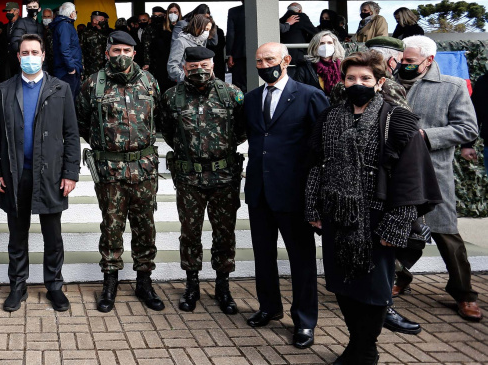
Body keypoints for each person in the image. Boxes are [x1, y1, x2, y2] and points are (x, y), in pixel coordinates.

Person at [306, 50, 441, 364]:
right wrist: (312, 208)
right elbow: (316, 164)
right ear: (343, 80)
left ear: (380, 82)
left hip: (377, 218)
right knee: (342, 283)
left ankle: (366, 349)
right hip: (336, 214)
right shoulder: (329, 116)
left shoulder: (397, 120)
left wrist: (397, 225)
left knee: (375, 287)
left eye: (365, 78)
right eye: (351, 77)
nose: (358, 83)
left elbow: (411, 179)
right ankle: (356, 343)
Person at [244, 42, 329, 349]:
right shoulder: (252, 98)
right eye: (259, 61)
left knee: (301, 260)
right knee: (263, 255)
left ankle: (305, 321)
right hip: (259, 192)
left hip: (295, 194)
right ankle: (269, 307)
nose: (264, 64)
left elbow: (324, 146)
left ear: (286, 61)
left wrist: (318, 195)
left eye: (270, 59)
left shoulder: (310, 95)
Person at [0, 33, 80, 313]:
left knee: (53, 236)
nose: (29, 57)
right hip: (15, 175)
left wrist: (70, 173)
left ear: (43, 56)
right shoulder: (3, 89)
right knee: (17, 236)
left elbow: (71, 134)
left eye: (34, 52)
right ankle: (18, 285)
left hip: (50, 174)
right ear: (18, 57)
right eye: (24, 53)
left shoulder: (60, 89)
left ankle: (54, 286)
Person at [392, 35, 482, 321]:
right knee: (392, 230)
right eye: (403, 60)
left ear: (429, 60)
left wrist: (426, 137)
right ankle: (400, 277)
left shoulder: (452, 87)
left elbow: (468, 129)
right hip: (394, 173)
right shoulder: (387, 84)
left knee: (446, 236)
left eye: (410, 62)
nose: (403, 65)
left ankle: (464, 294)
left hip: (433, 174)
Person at [75, 31, 164, 313]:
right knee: (111, 227)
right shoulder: (93, 84)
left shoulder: (150, 82)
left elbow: (160, 119)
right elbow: (80, 122)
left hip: (144, 169)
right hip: (110, 171)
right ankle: (110, 282)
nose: (121, 55)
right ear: (107, 53)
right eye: (116, 50)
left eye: (126, 50)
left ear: (134, 53)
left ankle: (144, 282)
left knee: (145, 227)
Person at [161, 46, 245, 315]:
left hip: (224, 177)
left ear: (213, 64)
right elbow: (167, 132)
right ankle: (192, 285)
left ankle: (223, 287)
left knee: (224, 234)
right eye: (193, 65)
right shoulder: (172, 97)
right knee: (190, 234)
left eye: (205, 64)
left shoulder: (231, 94)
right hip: (189, 178)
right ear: (184, 66)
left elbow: (242, 131)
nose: (199, 69)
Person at [226, 4, 299, 91]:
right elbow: (280, 28)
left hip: (239, 53)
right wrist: (288, 23)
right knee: (263, 80)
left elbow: (230, 34)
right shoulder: (264, 8)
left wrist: (230, 54)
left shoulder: (234, 11)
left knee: (239, 86)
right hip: (264, 51)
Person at [167, 14, 213, 84]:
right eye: (206, 29)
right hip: (185, 84)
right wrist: (187, 78)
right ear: (197, 27)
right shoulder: (181, 42)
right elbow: (172, 66)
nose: (206, 33)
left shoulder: (201, 42)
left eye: (209, 30)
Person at [50, 2, 83, 98]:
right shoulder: (65, 25)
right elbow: (65, 49)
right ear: (71, 13)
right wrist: (71, 68)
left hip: (67, 69)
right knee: (68, 101)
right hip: (66, 72)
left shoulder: (64, 25)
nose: (76, 14)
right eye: (75, 12)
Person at [305, 30, 345, 96]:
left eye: (329, 43)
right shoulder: (306, 67)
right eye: (322, 43)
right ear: (315, 46)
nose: (326, 46)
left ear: (335, 45)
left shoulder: (343, 66)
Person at [79, 11, 111, 79]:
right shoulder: (85, 34)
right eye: (102, 20)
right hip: (91, 68)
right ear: (95, 21)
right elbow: (80, 51)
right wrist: (82, 69)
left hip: (105, 66)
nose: (104, 22)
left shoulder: (106, 32)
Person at [41, 8, 56, 73]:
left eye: (48, 16)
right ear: (42, 17)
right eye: (45, 16)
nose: (46, 18)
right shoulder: (38, 28)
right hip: (42, 61)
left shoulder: (56, 29)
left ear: (52, 17)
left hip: (54, 62)